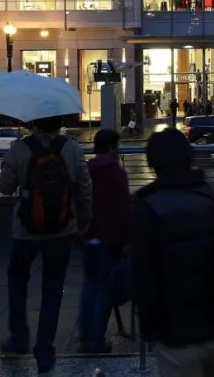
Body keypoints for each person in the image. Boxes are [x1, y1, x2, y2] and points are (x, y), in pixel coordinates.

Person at [131, 129, 214, 377]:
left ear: (153, 164)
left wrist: (149, 329)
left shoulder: (146, 209)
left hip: (174, 333)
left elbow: (143, 278)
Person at [0, 115, 93, 374]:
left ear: (33, 122)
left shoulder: (20, 148)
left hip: (25, 230)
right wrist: (82, 222)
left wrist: (9, 163)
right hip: (62, 228)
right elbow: (85, 188)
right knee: (53, 289)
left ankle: (18, 336)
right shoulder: (72, 148)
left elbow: (5, 187)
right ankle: (44, 350)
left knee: (17, 278)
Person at [78, 129, 131, 353]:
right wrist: (127, 239)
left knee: (89, 284)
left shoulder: (85, 170)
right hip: (110, 239)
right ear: (111, 148)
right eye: (118, 147)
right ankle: (95, 339)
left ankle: (84, 333)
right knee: (104, 289)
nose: (119, 151)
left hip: (87, 235)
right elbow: (123, 210)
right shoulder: (116, 173)